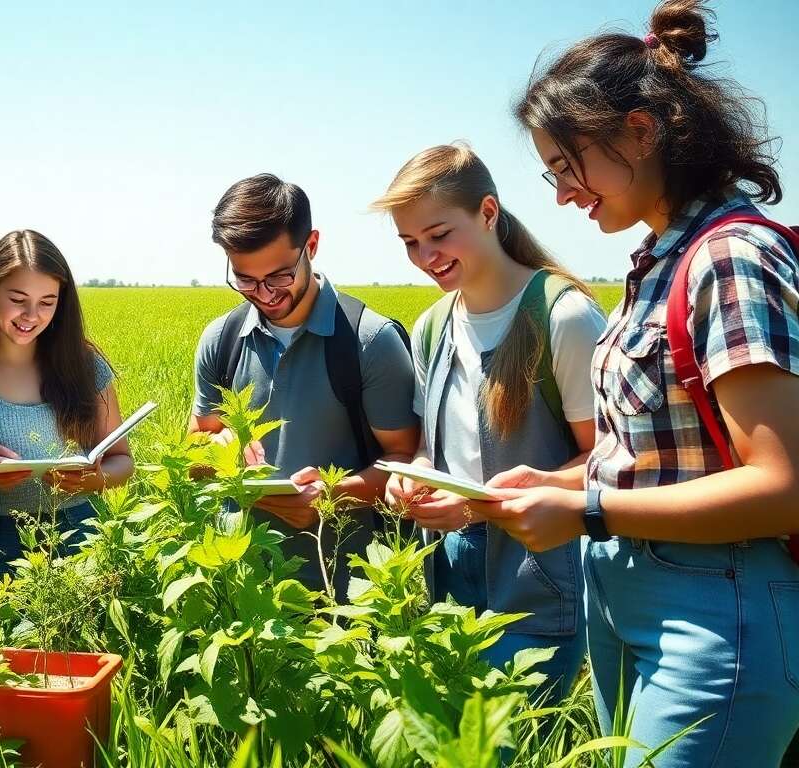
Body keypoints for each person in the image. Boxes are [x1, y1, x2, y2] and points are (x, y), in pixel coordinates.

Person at [493, 1, 799, 764]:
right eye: (552, 172)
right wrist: (560, 484)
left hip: (714, 613)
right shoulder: (659, 259)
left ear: (640, 131)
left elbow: (783, 485)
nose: (562, 193)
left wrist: (587, 511)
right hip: (630, 598)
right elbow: (661, 453)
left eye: (568, 166)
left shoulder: (730, 258)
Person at [375, 143, 605, 697]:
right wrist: (413, 477)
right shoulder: (431, 326)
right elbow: (432, 447)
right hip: (449, 570)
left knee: (510, 735)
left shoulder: (563, 316)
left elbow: (609, 460)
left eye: (438, 234)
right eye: (409, 242)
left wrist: (480, 504)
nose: (425, 256)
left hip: (537, 576)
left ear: (487, 213)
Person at [190, 173, 419, 596]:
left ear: (311, 246)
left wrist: (331, 496)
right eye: (245, 279)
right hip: (242, 590)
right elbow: (195, 447)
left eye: (279, 276)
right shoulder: (222, 339)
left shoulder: (370, 341)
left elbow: (404, 459)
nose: (265, 294)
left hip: (348, 595)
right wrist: (216, 448)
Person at [0, 230, 133, 580]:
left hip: (81, 532)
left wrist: (91, 479)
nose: (31, 315)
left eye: (47, 302)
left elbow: (123, 461)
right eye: (18, 299)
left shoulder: (84, 366)